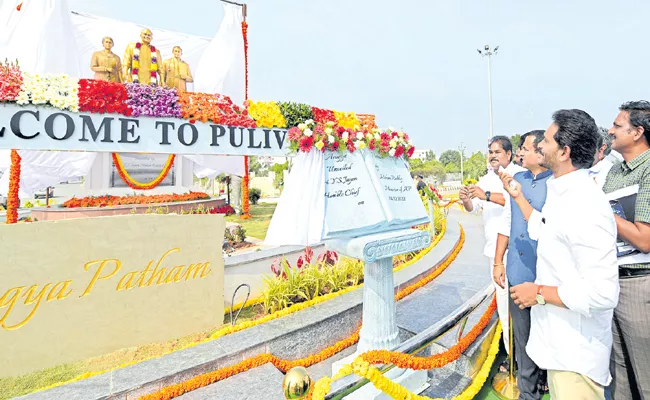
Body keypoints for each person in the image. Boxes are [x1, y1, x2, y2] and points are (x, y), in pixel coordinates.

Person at [500, 109, 619, 400]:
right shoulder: (563, 192)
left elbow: (603, 294)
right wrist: (518, 196)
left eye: (548, 140)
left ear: (564, 151)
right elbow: (544, 228)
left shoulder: (585, 203)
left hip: (576, 354)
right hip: (559, 345)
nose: (540, 145)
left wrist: (538, 292)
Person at [494, 130, 551, 399]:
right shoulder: (517, 179)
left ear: (541, 152)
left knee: (550, 337)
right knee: (524, 339)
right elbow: (506, 222)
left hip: (547, 275)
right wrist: (498, 262)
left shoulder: (559, 183)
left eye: (525, 148)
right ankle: (528, 394)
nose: (520, 152)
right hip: (519, 270)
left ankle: (546, 379)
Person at [459, 135, 525, 356]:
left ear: (509, 154)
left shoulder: (518, 174)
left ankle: (529, 364)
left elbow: (517, 200)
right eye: (490, 152)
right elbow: (472, 208)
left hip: (517, 251)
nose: (493, 156)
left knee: (523, 308)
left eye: (497, 152)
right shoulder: (485, 179)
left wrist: (485, 195)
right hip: (494, 251)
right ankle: (512, 358)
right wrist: (466, 199)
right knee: (505, 308)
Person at [603, 101, 650, 400]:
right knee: (619, 377)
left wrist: (601, 212)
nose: (610, 130)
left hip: (640, 284)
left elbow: (645, 239)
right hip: (612, 280)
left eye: (618, 126)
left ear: (637, 132)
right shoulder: (615, 173)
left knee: (645, 377)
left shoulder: (648, 170)